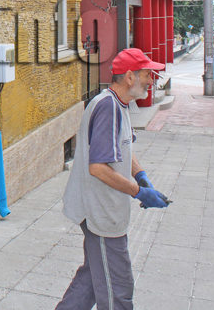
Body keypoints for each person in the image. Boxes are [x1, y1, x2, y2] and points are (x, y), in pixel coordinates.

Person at [55, 48, 170, 310]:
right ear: (129, 77)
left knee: (92, 278)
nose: (151, 80)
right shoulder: (108, 108)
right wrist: (138, 192)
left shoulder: (120, 104)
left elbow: (124, 147)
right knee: (117, 287)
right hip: (100, 211)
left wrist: (141, 176)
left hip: (103, 209)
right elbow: (98, 168)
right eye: (147, 74)